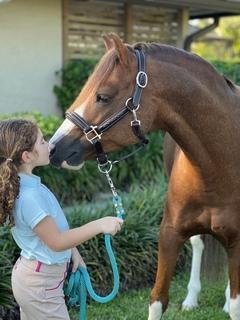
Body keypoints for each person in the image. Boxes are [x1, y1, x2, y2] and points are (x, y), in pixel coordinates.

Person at [0, 119, 124, 320]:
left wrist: (73, 252)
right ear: (27, 156)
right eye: (42, 142)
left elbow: (51, 233)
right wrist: (100, 224)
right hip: (40, 285)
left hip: (37, 278)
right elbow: (56, 241)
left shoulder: (28, 184)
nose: (49, 145)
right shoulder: (30, 197)